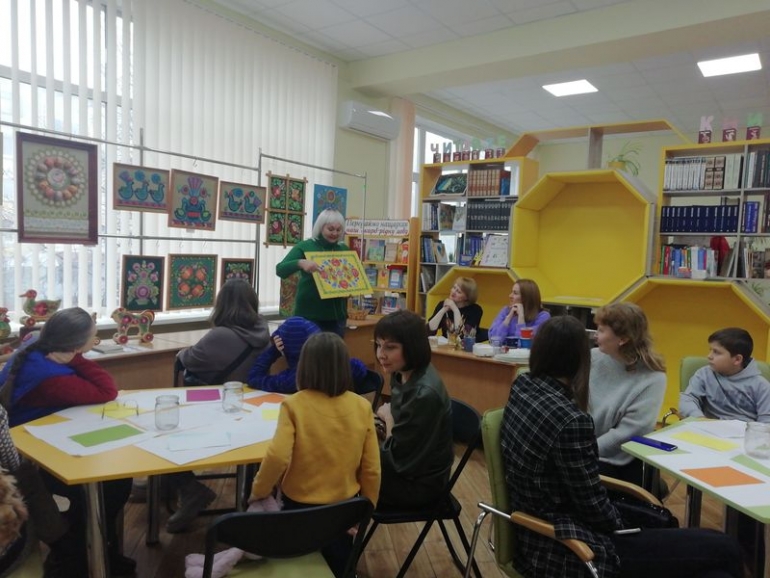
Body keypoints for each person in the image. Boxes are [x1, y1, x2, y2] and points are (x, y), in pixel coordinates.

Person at [500, 315, 743, 578]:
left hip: (540, 529)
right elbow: (594, 509)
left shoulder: (523, 386)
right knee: (726, 548)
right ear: (580, 360)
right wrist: (628, 524)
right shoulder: (571, 421)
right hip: (573, 545)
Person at [0, 307, 135, 576]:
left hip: (29, 443)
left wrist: (73, 354)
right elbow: (107, 390)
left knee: (107, 484)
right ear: (76, 344)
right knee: (114, 483)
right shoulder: (52, 378)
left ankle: (100, 547)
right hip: (31, 460)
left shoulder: (33, 349)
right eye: (92, 337)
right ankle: (89, 550)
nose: (95, 340)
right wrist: (78, 358)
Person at [248, 332, 380, 577]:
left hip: (298, 509)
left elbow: (277, 457)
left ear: (304, 367)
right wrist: (365, 510)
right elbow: (371, 469)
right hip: (343, 509)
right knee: (340, 566)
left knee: (295, 563)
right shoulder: (362, 407)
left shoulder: (293, 405)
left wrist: (259, 491)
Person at [374, 310, 453, 508]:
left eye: (390, 347)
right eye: (378, 345)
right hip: (408, 466)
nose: (381, 354)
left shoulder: (423, 394)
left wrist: (388, 419)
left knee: (343, 477)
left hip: (419, 484)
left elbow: (397, 460)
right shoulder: (401, 371)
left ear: (412, 347)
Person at [588, 302, 667, 488]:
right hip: (581, 447)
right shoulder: (593, 357)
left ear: (623, 339)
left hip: (613, 459)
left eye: (601, 330)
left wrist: (584, 452)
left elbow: (629, 432)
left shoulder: (652, 378)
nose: (595, 335)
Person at [176, 278, 271, 385]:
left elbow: (189, 360)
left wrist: (181, 353)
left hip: (225, 393)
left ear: (222, 304)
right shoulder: (263, 332)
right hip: (256, 393)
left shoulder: (220, 336)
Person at [247, 316, 368, 395]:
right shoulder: (342, 369)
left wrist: (274, 351)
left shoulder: (294, 378)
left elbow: (254, 377)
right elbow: (359, 366)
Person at [276, 208, 349, 337]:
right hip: (309, 315)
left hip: (337, 317)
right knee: (308, 349)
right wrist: (301, 263)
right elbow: (280, 269)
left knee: (334, 350)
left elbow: (349, 277)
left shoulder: (344, 249)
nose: (335, 233)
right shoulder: (305, 246)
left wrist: (351, 289)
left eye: (339, 230)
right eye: (330, 229)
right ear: (320, 227)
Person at [680, 327, 770, 422]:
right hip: (708, 427)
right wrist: (699, 418)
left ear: (737, 359)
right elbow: (687, 399)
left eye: (716, 352)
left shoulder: (761, 386)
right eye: (710, 350)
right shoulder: (704, 374)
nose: (709, 356)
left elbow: (766, 422)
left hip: (744, 430)